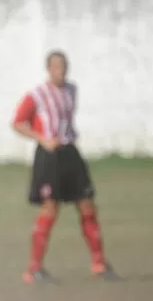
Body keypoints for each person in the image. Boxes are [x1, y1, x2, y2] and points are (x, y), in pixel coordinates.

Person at [12, 50, 117, 282]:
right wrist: (41, 138)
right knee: (50, 208)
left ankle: (99, 263)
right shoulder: (37, 94)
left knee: (87, 205)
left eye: (64, 66)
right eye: (57, 66)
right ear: (48, 69)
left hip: (71, 152)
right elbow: (18, 122)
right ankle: (33, 268)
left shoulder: (72, 89)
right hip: (49, 156)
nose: (62, 70)